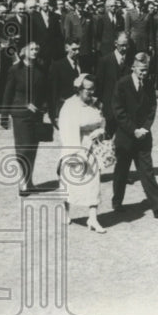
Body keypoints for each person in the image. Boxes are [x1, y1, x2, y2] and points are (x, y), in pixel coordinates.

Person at [112, 52, 158, 218]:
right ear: (133, 67)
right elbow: (119, 111)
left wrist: (145, 128)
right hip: (126, 137)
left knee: (147, 172)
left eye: (146, 70)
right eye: (140, 70)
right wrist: (134, 130)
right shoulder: (122, 84)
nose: (143, 73)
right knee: (121, 172)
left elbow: (152, 108)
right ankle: (117, 201)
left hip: (144, 138)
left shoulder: (148, 84)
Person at [57, 74, 106, 233]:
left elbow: (102, 120)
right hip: (75, 146)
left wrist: (100, 131)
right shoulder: (70, 106)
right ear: (79, 89)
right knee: (70, 182)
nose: (91, 93)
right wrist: (75, 153)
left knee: (94, 183)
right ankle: (65, 212)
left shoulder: (96, 103)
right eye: (87, 90)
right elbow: (66, 130)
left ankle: (92, 218)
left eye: (93, 89)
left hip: (93, 148)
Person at [0, 42, 50, 196]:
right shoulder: (15, 70)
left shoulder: (41, 69)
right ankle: (23, 181)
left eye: (37, 49)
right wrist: (4, 116)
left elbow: (44, 92)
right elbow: (8, 94)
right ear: (24, 51)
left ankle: (29, 181)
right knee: (23, 148)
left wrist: (43, 106)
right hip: (20, 115)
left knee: (33, 148)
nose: (35, 51)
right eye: (32, 49)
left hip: (36, 115)